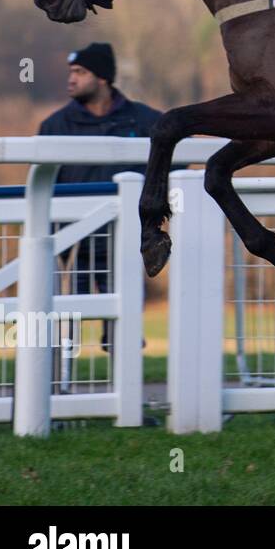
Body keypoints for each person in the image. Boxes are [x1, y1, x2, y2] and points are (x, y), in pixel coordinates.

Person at [37, 43, 163, 348]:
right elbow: (41, 186)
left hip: (127, 245)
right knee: (67, 334)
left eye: (80, 72)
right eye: (71, 72)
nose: (71, 79)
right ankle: (62, 387)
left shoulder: (148, 121)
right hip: (73, 246)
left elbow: (174, 170)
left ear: (103, 78)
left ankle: (129, 393)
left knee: (125, 334)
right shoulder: (54, 126)